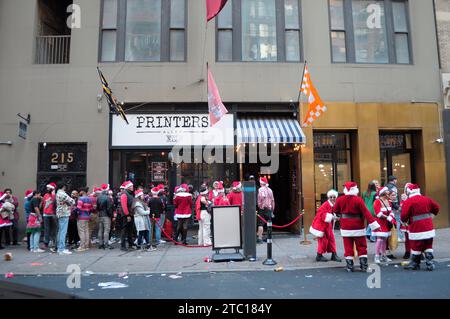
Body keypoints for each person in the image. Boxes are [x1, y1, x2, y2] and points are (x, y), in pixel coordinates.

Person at [332, 182, 380, 272]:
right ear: (355, 190)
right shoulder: (358, 200)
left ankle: (350, 266)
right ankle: (364, 266)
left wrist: (340, 214)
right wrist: (375, 225)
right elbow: (366, 213)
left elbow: (335, 210)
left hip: (346, 227)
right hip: (358, 226)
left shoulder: (340, 199)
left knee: (348, 247)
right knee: (361, 246)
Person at [401, 184, 440, 271]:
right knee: (428, 244)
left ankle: (415, 263)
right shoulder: (427, 199)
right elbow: (437, 207)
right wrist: (431, 216)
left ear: (409, 192)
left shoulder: (409, 201)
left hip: (416, 228)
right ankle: (430, 263)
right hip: (429, 227)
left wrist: (405, 221)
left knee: (416, 246)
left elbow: (403, 216)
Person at [310, 189, 341, 262]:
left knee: (331, 240)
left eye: (334, 197)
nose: (332, 198)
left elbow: (332, 213)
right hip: (322, 226)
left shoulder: (333, 205)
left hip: (327, 225)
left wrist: (335, 216)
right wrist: (333, 217)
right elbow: (322, 214)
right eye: (331, 197)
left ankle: (334, 254)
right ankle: (319, 255)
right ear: (328, 197)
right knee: (323, 241)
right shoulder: (325, 205)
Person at [372, 187, 396, 264]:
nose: (388, 192)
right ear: (383, 193)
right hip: (379, 223)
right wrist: (387, 217)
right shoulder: (377, 201)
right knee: (379, 239)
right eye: (387, 191)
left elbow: (391, 211)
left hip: (386, 223)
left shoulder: (389, 201)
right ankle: (376, 256)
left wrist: (391, 216)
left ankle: (383, 255)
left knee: (385, 239)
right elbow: (378, 213)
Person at [55, 182, 75, 255]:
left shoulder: (57, 193)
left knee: (60, 231)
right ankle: (61, 249)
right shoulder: (62, 193)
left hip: (60, 212)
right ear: (63, 186)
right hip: (64, 213)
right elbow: (72, 201)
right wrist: (71, 202)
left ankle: (59, 247)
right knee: (63, 231)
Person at [386, 175, 404, 243]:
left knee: (393, 220)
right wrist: (397, 207)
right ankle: (399, 236)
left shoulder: (386, 186)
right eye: (396, 180)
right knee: (398, 220)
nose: (396, 181)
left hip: (389, 205)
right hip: (394, 206)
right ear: (394, 180)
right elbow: (394, 198)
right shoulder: (393, 187)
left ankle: (395, 236)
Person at [257, 177, 275, 244]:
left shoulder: (260, 190)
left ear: (261, 183)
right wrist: (272, 209)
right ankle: (268, 238)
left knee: (260, 223)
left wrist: (259, 205)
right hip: (269, 208)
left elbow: (260, 199)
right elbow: (273, 201)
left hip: (262, 208)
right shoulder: (270, 190)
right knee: (269, 223)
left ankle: (259, 238)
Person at [119, 181, 135, 251]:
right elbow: (124, 206)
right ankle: (123, 245)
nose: (132, 187)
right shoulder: (124, 194)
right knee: (124, 230)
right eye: (131, 186)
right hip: (126, 215)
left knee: (130, 230)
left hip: (130, 214)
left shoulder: (129, 194)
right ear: (128, 187)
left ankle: (130, 244)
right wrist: (127, 215)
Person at [97, 184, 114, 249]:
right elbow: (109, 208)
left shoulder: (99, 197)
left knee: (100, 230)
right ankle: (106, 244)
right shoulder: (108, 198)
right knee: (106, 230)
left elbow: (98, 207)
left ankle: (100, 244)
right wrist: (111, 215)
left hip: (100, 215)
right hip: (106, 216)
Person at [76, 188, 93, 252]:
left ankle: (82, 246)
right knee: (86, 231)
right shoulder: (89, 199)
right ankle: (86, 245)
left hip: (81, 217)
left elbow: (78, 208)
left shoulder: (81, 199)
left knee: (81, 231)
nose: (79, 192)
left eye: (80, 191)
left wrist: (76, 213)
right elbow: (91, 208)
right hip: (87, 216)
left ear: (83, 191)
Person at [42, 182, 57, 252]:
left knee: (54, 229)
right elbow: (43, 204)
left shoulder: (55, 196)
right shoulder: (45, 195)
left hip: (53, 214)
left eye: (48, 188)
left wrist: (54, 195)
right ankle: (46, 242)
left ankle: (53, 242)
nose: (47, 189)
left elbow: (56, 204)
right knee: (46, 229)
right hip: (46, 214)